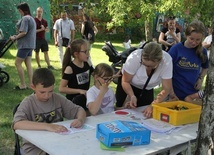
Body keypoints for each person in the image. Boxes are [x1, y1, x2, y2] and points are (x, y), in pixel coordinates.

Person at [12, 68, 86, 155]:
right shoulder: (28, 103)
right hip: (35, 148)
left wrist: (80, 120)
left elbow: (79, 110)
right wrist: (48, 126)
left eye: (50, 91)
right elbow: (17, 124)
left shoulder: (57, 98)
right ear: (33, 87)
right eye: (42, 92)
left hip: (58, 142)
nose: (47, 96)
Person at [115, 42, 175, 118]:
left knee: (144, 114)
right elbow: (125, 81)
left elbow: (166, 88)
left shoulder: (167, 60)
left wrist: (154, 104)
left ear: (159, 61)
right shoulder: (134, 57)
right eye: (144, 64)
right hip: (128, 85)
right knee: (122, 112)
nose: (147, 68)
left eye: (151, 66)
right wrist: (132, 96)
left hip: (147, 88)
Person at [168, 20, 209, 101]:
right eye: (191, 39)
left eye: (198, 40)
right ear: (186, 35)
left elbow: (205, 67)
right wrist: (171, 93)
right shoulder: (176, 49)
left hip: (192, 93)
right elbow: (165, 71)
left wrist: (200, 78)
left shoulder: (202, 51)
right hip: (175, 92)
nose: (194, 42)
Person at [59, 39, 94, 111]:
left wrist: (111, 76)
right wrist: (79, 91)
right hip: (74, 103)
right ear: (76, 54)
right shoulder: (70, 68)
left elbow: (96, 75)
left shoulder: (87, 63)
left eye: (88, 50)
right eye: (85, 52)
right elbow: (61, 88)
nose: (88, 54)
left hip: (85, 99)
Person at [10, 2, 36, 90]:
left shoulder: (25, 18)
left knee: (17, 63)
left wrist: (15, 37)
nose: (19, 13)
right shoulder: (32, 18)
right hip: (31, 45)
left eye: (19, 11)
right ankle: (31, 84)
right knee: (28, 64)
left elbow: (23, 32)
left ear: (21, 10)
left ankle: (22, 84)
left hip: (24, 45)